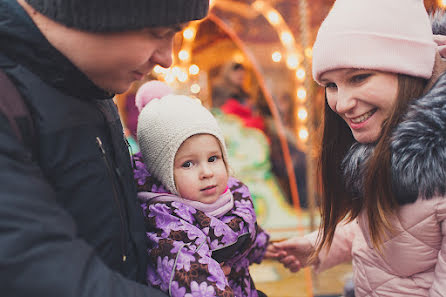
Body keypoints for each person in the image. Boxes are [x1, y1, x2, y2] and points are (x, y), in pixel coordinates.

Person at [0, 0, 208, 296]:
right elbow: (40, 270)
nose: (166, 58)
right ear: (96, 13)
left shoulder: (92, 87)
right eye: (159, 32)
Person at [266, 0, 446, 296]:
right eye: (331, 86)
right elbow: (396, 228)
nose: (342, 104)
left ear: (411, 69)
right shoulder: (387, 146)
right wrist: (322, 245)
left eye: (359, 77)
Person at [132, 81, 270, 297]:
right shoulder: (169, 224)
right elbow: (196, 282)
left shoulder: (233, 193)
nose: (207, 172)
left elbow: (243, 225)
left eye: (213, 158)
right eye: (188, 164)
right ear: (164, 173)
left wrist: (266, 247)